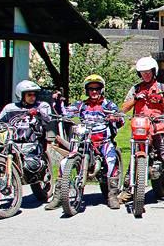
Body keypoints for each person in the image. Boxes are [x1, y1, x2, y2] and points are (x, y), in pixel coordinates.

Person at [121, 56, 164, 209]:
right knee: (133, 158)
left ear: (153, 72)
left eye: (148, 72)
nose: (145, 75)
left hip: (158, 128)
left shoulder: (163, 88)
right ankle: (127, 190)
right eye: (142, 72)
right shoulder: (135, 89)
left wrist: (161, 101)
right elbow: (124, 108)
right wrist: (136, 99)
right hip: (140, 128)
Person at [0, 80, 56, 206]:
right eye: (29, 95)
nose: (33, 97)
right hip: (12, 142)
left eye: (34, 94)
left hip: (32, 143)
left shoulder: (42, 105)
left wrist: (37, 112)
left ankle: (44, 178)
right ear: (21, 95)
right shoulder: (9, 108)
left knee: (31, 166)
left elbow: (48, 118)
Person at [52, 74, 125, 210]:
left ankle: (112, 196)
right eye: (91, 89)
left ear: (101, 90)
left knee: (111, 161)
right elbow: (64, 113)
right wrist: (57, 102)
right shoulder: (81, 105)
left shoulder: (108, 104)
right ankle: (58, 196)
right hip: (84, 140)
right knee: (64, 162)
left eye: (97, 89)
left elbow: (121, 119)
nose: (94, 92)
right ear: (87, 91)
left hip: (103, 141)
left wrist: (115, 118)